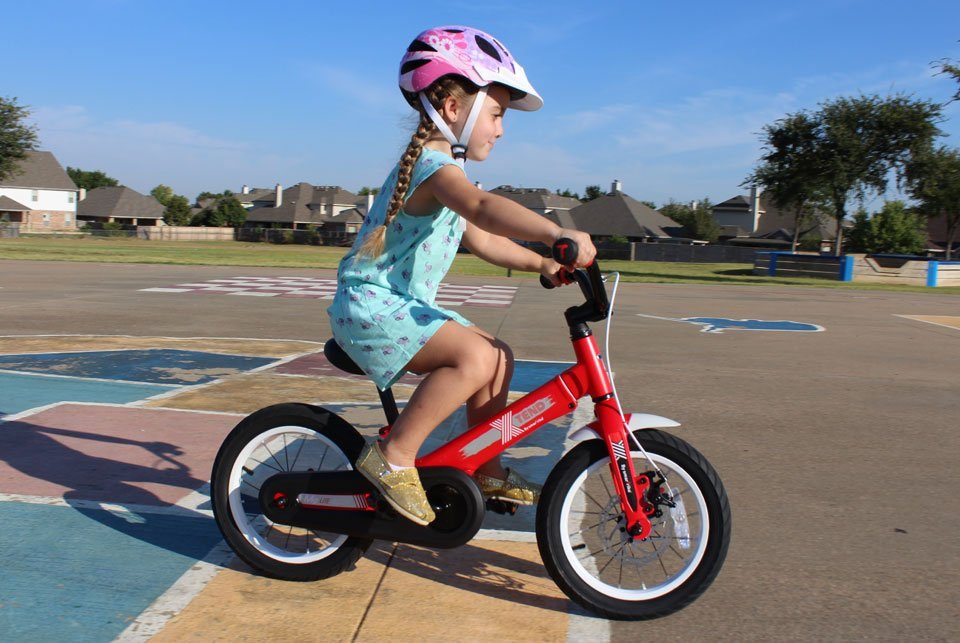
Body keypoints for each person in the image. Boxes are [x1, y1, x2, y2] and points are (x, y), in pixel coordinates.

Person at [327, 25, 595, 525]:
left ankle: (486, 466)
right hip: (371, 306)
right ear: (452, 108)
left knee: (497, 358)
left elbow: (485, 238)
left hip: (401, 309)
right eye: (496, 113)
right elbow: (483, 208)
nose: (501, 128)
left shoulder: (445, 175)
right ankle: (394, 455)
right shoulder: (435, 170)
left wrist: (543, 262)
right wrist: (556, 232)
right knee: (474, 356)